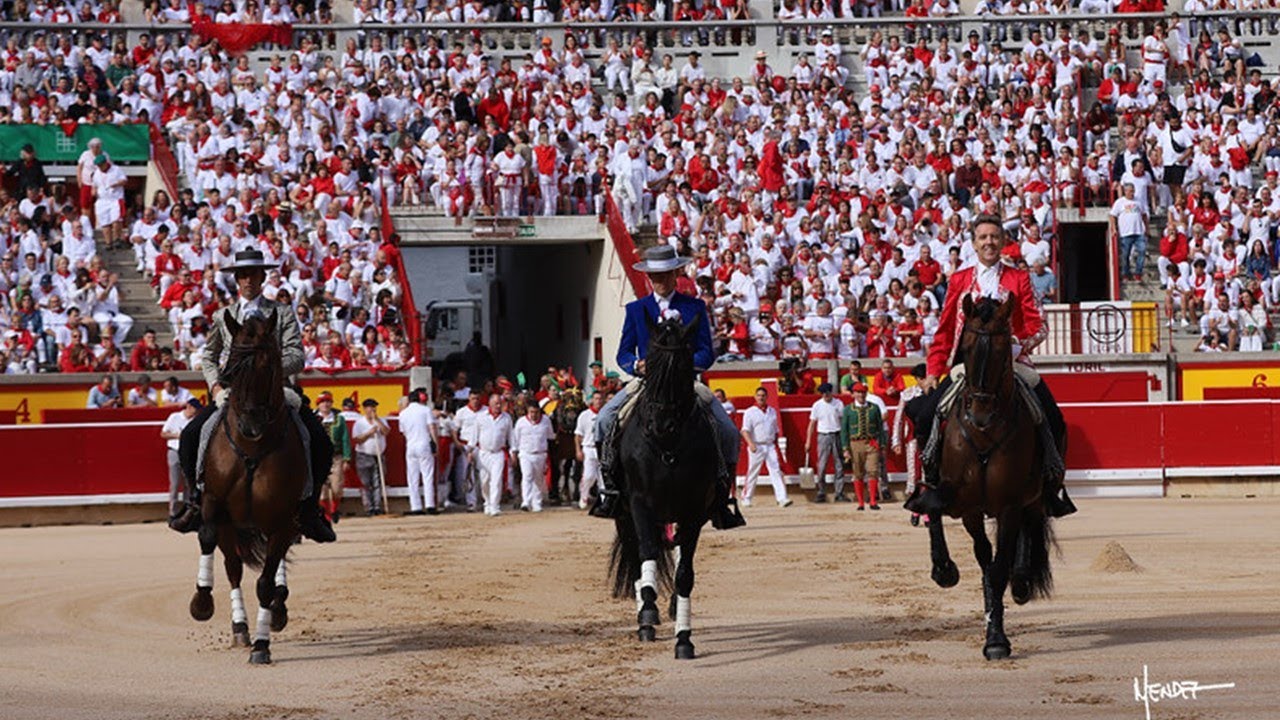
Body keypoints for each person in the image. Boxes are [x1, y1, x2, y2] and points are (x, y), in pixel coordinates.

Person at [905, 216, 1076, 518]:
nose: (989, 242)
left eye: (994, 237)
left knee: (1053, 417)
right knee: (925, 413)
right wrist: (933, 370)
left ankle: (1050, 487)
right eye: (983, 237)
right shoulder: (959, 280)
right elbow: (944, 330)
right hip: (965, 367)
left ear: (1002, 242)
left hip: (1012, 363)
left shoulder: (1019, 278)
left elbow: (1039, 325)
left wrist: (1015, 346)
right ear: (974, 243)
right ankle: (930, 485)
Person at [169, 249, 336, 542]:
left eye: (253, 274)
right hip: (232, 393)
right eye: (242, 275)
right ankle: (196, 501)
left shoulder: (282, 313)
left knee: (319, 439)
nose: (247, 280)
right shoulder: (224, 315)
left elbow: (297, 354)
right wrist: (217, 388)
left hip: (276, 390)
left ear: (262, 277)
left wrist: (267, 370)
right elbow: (208, 356)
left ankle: (309, 510)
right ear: (236, 279)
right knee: (192, 434)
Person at [590, 245, 745, 530]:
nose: (659, 280)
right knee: (603, 420)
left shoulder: (695, 307)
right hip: (646, 383)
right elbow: (624, 353)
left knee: (729, 432)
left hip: (687, 383)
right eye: (654, 275)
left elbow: (705, 353)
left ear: (676, 273)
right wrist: (637, 365)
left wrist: (683, 365)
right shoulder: (637, 309)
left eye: (664, 274)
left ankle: (722, 499)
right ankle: (610, 490)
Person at [740, 386, 792, 508]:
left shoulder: (772, 411)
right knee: (753, 471)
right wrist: (750, 443)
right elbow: (745, 430)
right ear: (755, 397)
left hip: (769, 445)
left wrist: (777, 444)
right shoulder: (750, 412)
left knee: (776, 471)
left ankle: (782, 498)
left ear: (766, 397)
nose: (761, 398)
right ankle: (746, 497)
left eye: (763, 396)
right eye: (759, 395)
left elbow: (775, 430)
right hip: (756, 445)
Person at [892, 364, 928, 526]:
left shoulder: (934, 393)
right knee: (914, 476)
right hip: (913, 440)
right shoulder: (908, 394)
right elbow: (898, 419)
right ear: (918, 379)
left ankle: (925, 512)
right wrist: (896, 441)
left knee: (928, 477)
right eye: (923, 378)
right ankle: (916, 510)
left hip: (930, 440)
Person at [841, 383, 884, 511]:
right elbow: (844, 430)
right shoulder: (848, 410)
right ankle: (860, 502)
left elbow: (880, 428)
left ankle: (872, 501)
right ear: (853, 394)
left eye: (863, 392)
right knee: (858, 472)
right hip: (855, 443)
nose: (861, 395)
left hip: (871, 443)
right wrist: (845, 448)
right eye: (858, 392)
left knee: (873, 471)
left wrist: (881, 444)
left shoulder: (874, 408)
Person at [399, 387, 440, 515]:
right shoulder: (425, 410)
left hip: (411, 445)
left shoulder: (403, 413)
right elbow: (432, 428)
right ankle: (430, 505)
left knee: (412, 478)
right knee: (427, 476)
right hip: (424, 443)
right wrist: (435, 443)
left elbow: (403, 432)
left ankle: (415, 507)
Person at [804, 382, 846, 502]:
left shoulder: (838, 403)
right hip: (823, 435)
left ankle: (839, 493)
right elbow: (811, 424)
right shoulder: (817, 405)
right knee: (822, 466)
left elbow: (843, 422)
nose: (825, 395)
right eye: (823, 393)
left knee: (839, 465)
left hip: (836, 434)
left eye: (827, 393)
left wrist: (844, 439)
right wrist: (808, 441)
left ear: (830, 392)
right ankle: (821, 492)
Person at [315, 391, 354, 520]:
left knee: (336, 487)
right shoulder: (312, 418)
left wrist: (347, 458)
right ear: (318, 405)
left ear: (331, 403)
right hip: (318, 458)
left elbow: (345, 439)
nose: (325, 404)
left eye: (328, 402)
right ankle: (327, 514)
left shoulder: (339, 418)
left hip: (336, 457)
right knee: (321, 489)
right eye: (322, 402)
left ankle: (334, 509)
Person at [511, 401, 555, 512]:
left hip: (540, 453)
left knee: (538, 479)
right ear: (527, 412)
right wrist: (514, 453)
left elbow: (550, 436)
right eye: (531, 412)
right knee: (527, 476)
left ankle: (537, 502)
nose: (534, 415)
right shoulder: (521, 422)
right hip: (525, 453)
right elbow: (515, 439)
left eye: (536, 412)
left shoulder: (546, 421)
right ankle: (526, 501)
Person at [162, 399, 202, 519]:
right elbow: (163, 434)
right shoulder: (174, 417)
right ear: (188, 406)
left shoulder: (194, 420)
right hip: (174, 451)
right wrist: (178, 435)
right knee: (174, 484)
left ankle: (187, 512)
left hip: (188, 454)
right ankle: (173, 513)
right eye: (195, 409)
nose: (196, 412)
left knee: (188, 484)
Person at [475, 392, 513, 517]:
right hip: (483, 453)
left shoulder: (507, 418)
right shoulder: (481, 417)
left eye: (500, 403)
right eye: (496, 403)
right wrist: (470, 451)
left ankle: (495, 506)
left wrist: (513, 452)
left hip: (498, 453)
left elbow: (511, 437)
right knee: (484, 481)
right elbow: (474, 436)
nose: (498, 406)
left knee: (496, 480)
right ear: (490, 403)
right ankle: (487, 502)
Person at [352, 398, 389, 514]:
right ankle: (369, 507)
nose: (372, 409)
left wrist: (377, 420)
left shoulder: (381, 420)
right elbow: (357, 439)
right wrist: (369, 433)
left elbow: (386, 432)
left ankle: (377, 507)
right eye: (370, 407)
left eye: (374, 407)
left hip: (378, 455)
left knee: (377, 481)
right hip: (364, 455)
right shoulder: (359, 423)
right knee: (366, 483)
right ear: (365, 409)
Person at [574, 391, 603, 510]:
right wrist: (578, 450)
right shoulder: (584, 415)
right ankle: (584, 496)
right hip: (589, 448)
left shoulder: (606, 414)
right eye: (596, 399)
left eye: (600, 399)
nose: (598, 401)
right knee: (589, 476)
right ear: (592, 400)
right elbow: (578, 435)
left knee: (602, 477)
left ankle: (603, 501)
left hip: (602, 449)